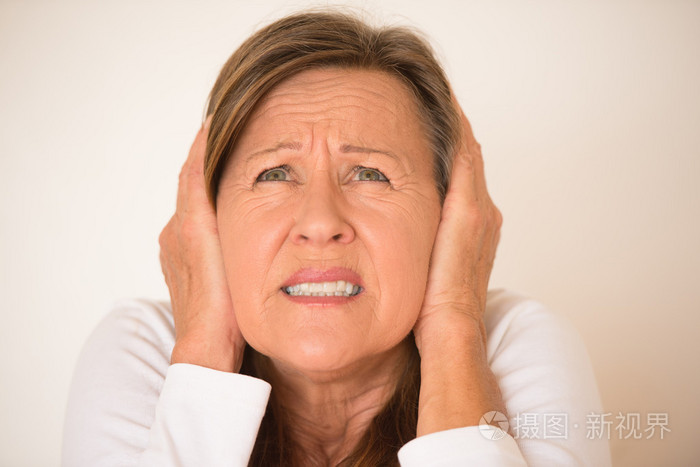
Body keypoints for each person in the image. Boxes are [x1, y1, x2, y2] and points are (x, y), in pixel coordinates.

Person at [62, 10, 611, 467]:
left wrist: (452, 327)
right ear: (205, 216)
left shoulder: (514, 340)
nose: (320, 221)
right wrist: (205, 349)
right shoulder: (144, 348)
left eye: (370, 174)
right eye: (274, 173)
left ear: (450, 218)